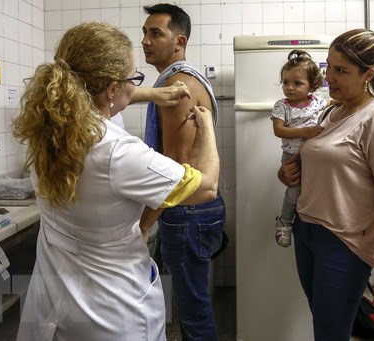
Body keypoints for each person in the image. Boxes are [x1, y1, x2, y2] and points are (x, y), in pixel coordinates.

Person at [12, 22, 220, 340]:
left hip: (55, 296)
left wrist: (153, 93)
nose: (134, 87)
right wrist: (207, 129)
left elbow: (106, 95)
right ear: (111, 88)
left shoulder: (46, 129)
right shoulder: (116, 150)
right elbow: (206, 186)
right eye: (133, 80)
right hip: (110, 310)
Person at [277, 28, 374, 340]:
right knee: (326, 324)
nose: (328, 78)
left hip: (345, 243)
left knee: (331, 332)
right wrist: (285, 175)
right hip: (307, 229)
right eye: (328, 67)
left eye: (341, 71)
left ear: (368, 74)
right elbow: (317, 166)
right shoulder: (331, 110)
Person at [140, 4, 226, 340]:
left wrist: (145, 223)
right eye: (145, 33)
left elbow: (175, 168)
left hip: (189, 211)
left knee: (192, 310)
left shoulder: (178, 83)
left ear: (179, 41)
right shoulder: (171, 81)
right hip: (194, 209)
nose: (146, 41)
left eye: (155, 33)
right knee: (192, 304)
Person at [271, 49, 326, 247]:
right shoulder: (282, 106)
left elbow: (335, 107)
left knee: (313, 191)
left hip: (314, 158)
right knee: (293, 193)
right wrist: (305, 132)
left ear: (312, 85)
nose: (290, 88)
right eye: (286, 82)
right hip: (291, 157)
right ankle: (284, 223)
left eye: (297, 83)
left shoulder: (319, 103)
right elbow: (279, 130)